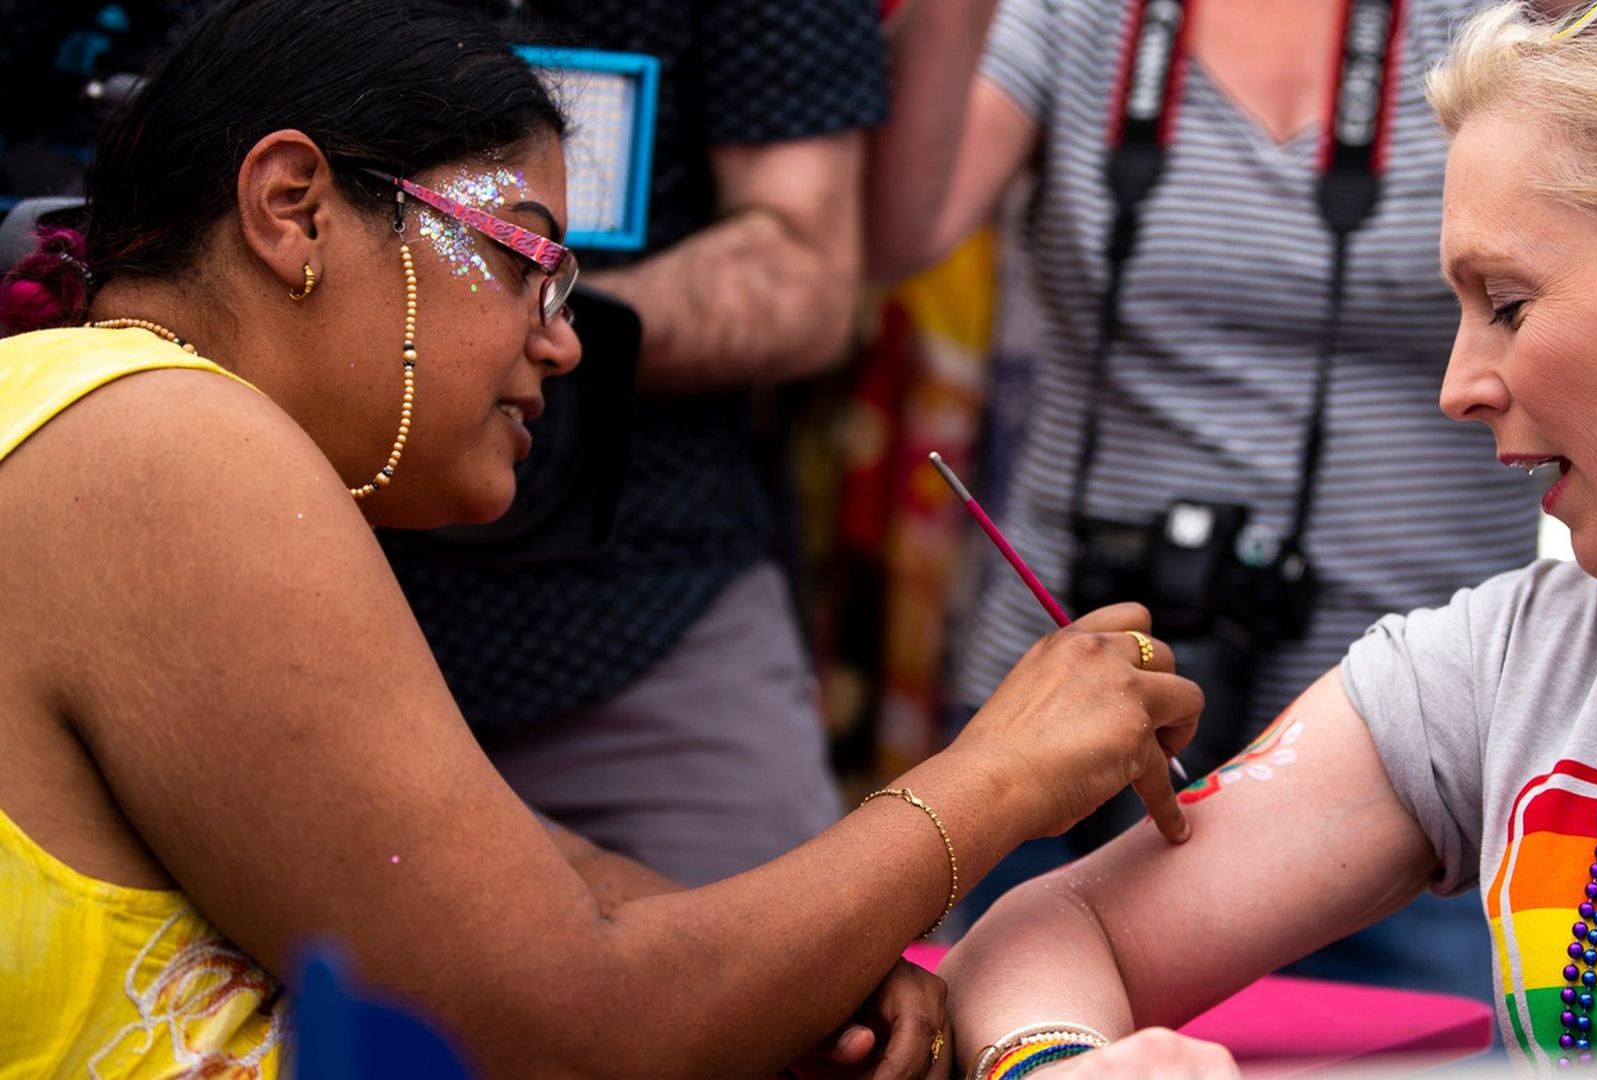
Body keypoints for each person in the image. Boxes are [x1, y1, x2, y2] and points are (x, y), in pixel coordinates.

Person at [0, 1, 1206, 1075]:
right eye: (526, 260)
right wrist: (999, 774)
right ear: (293, 210)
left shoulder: (101, 411)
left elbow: (534, 879)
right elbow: (573, 1022)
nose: (566, 343)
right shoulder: (168, 438)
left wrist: (792, 974)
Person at [935, 0, 1597, 1073]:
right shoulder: (1497, 670)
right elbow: (1047, 932)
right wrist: (1058, 1060)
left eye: (1506, 303)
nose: (1458, 388)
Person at [868, 0, 1536, 994]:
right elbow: (896, 238)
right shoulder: (1076, 14)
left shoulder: (1494, 23)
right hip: (1087, 714)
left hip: (1419, 755)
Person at [381, 0, 889, 888]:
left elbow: (808, 278)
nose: (556, 342)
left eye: (554, 313)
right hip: (293, 553)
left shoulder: (552, 334)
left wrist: (498, 329)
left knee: (794, 986)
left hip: (650, 593)